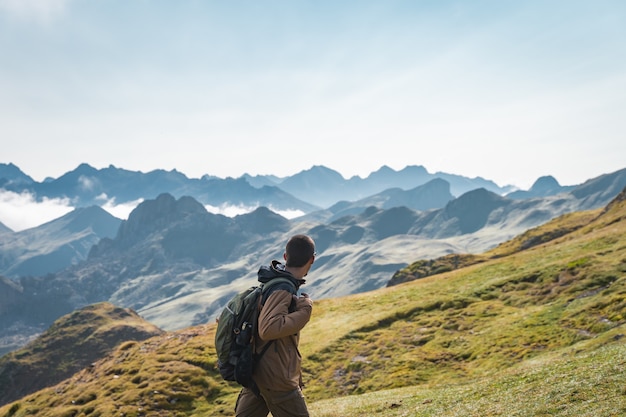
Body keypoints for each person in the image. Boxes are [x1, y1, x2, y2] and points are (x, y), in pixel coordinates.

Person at [234, 234, 316, 417]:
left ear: (285, 256)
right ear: (312, 259)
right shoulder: (283, 288)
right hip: (276, 378)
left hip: (259, 372)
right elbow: (269, 329)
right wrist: (305, 310)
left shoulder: (273, 282)